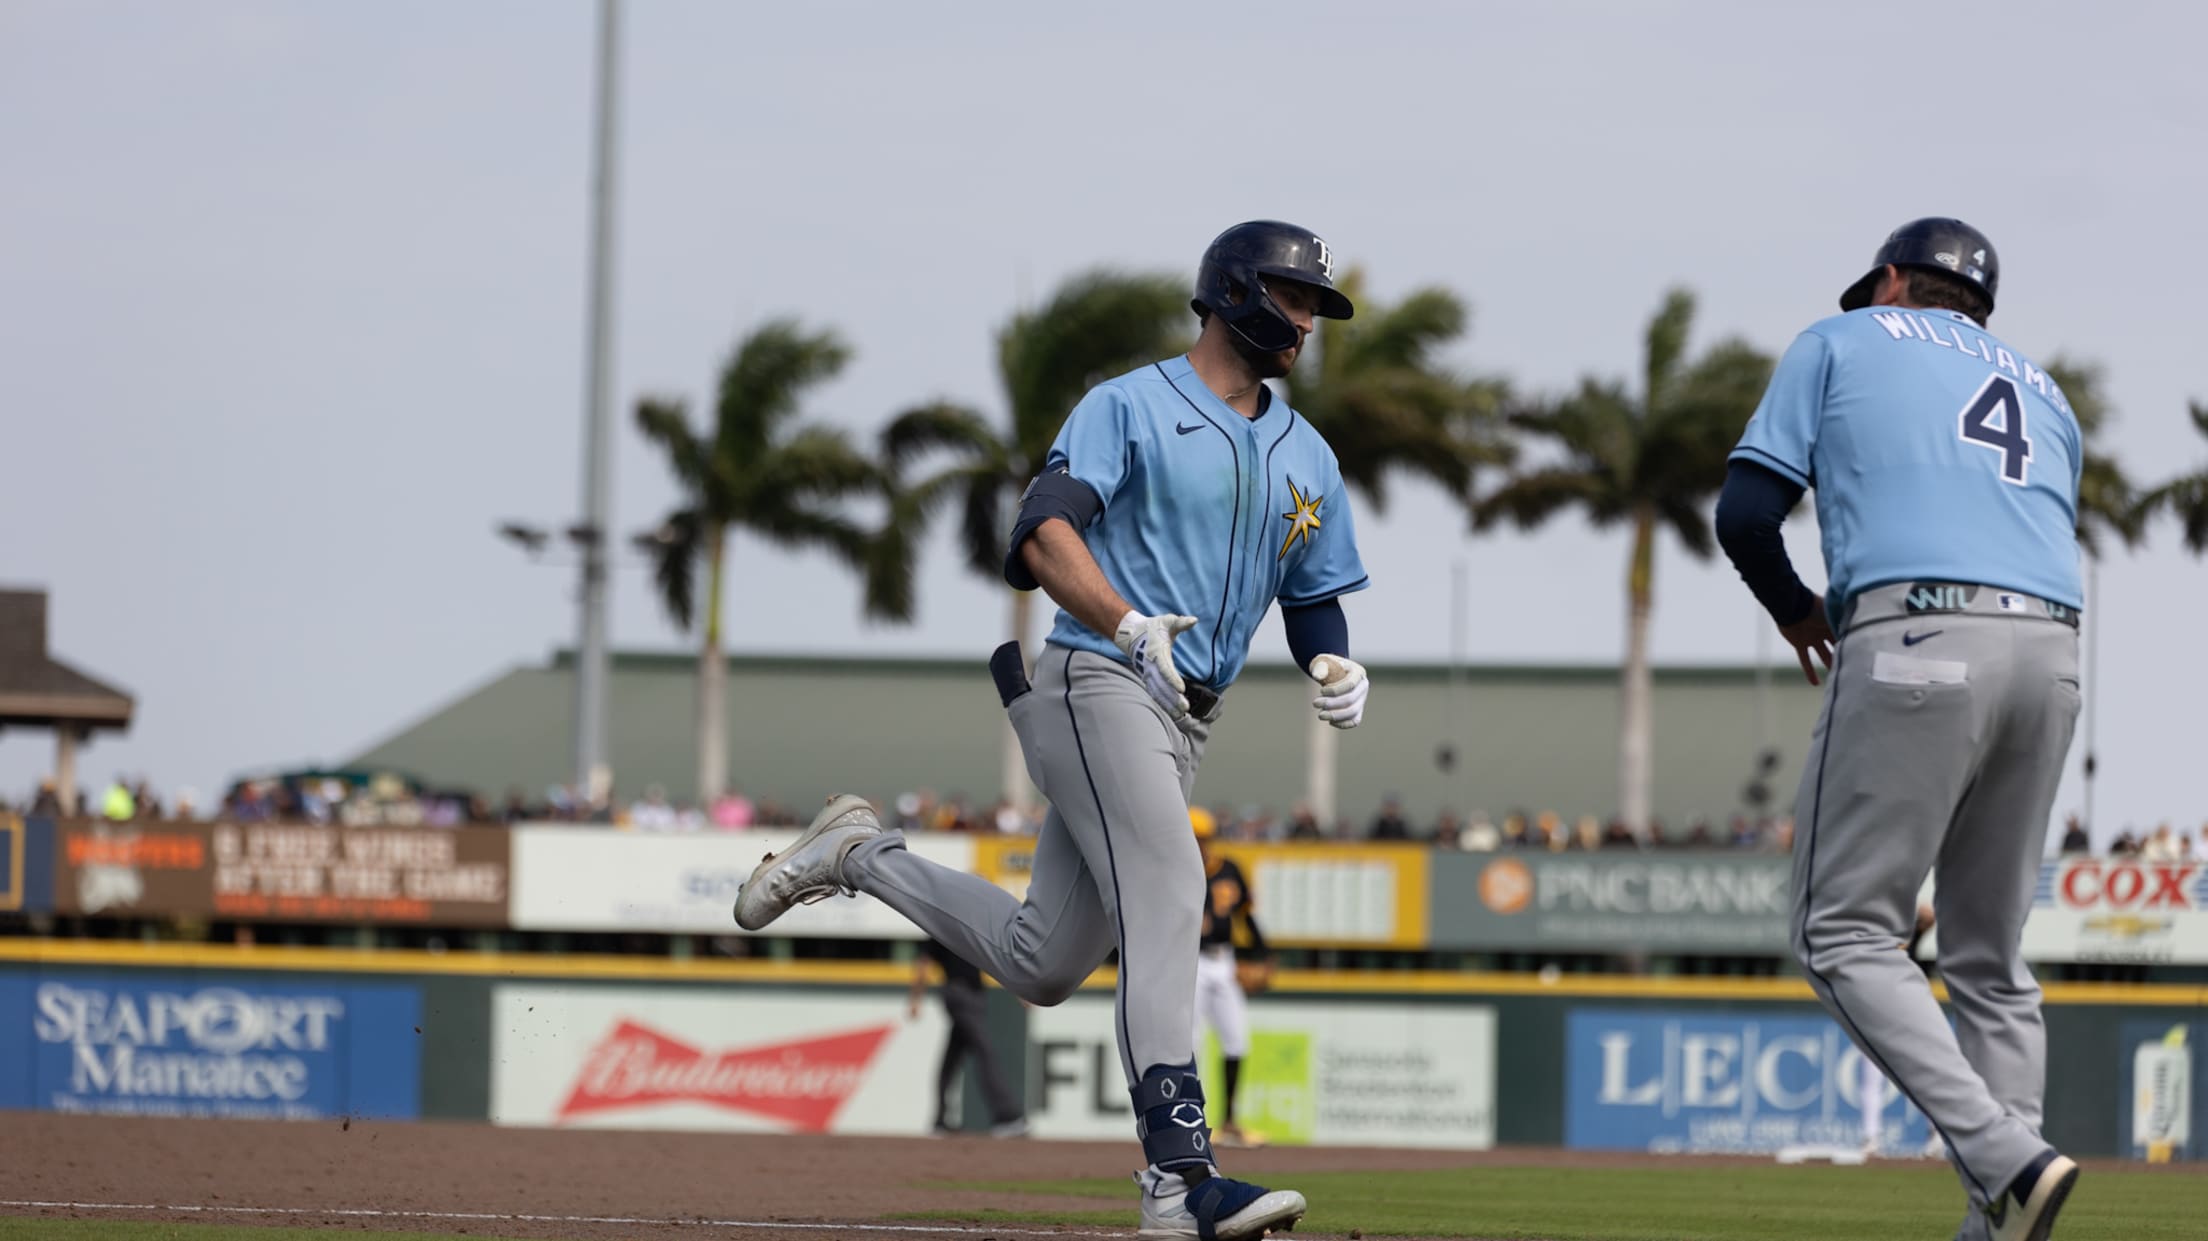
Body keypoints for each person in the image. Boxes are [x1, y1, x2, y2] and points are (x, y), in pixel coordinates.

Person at [735, 220, 1371, 1240]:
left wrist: (1332, 656)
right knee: (1171, 887)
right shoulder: (1129, 403)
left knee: (1041, 960)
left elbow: (1315, 594)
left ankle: (856, 852)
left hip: (1185, 717)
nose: (1303, 321)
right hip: (1100, 675)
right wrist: (1121, 617)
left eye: (1313, 307)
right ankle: (1179, 1178)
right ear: (1234, 292)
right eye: (1292, 299)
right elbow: (1041, 530)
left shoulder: (1308, 454)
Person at [1717, 217, 2083, 1241]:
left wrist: (1799, 611)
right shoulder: (2046, 391)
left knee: (1840, 930)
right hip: (2053, 653)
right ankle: (2002, 1217)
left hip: (1919, 634)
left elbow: (1746, 513)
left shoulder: (1840, 340)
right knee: (1990, 955)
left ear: (1890, 281)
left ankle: (2005, 1153)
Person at [1189, 807, 1272, 1148]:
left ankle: (1230, 1122)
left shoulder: (1229, 869)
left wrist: (1264, 954)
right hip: (1189, 962)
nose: (1199, 844)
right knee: (1188, 1044)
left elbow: (1246, 918)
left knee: (1237, 1039)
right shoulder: (1175, 870)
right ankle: (1190, 1122)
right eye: (1195, 838)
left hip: (1223, 960)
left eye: (1203, 838)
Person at [908, 937, 1027, 1139]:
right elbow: (923, 963)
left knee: (951, 1059)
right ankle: (1007, 1117)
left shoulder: (969, 927)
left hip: (975, 997)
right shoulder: (941, 926)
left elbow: (995, 961)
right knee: (985, 1052)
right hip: (959, 994)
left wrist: (1019, 992)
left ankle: (940, 1121)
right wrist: (916, 999)